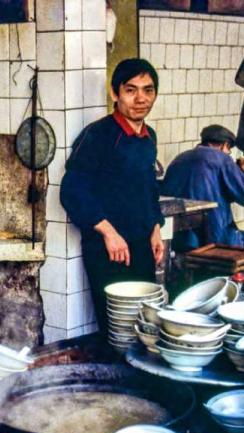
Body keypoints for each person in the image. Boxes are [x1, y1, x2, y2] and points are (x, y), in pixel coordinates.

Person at [60, 58, 165, 330]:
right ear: (115, 93)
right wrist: (109, 233)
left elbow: (149, 188)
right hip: (109, 249)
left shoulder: (149, 136)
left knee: (144, 324)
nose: (140, 98)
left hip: (142, 245)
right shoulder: (99, 135)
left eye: (148, 90)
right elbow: (72, 190)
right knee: (117, 328)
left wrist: (155, 227)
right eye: (131, 90)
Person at [161, 124, 244, 250]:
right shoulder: (222, 159)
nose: (228, 154)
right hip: (214, 239)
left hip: (180, 241)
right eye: (228, 150)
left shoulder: (179, 159)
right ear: (225, 145)